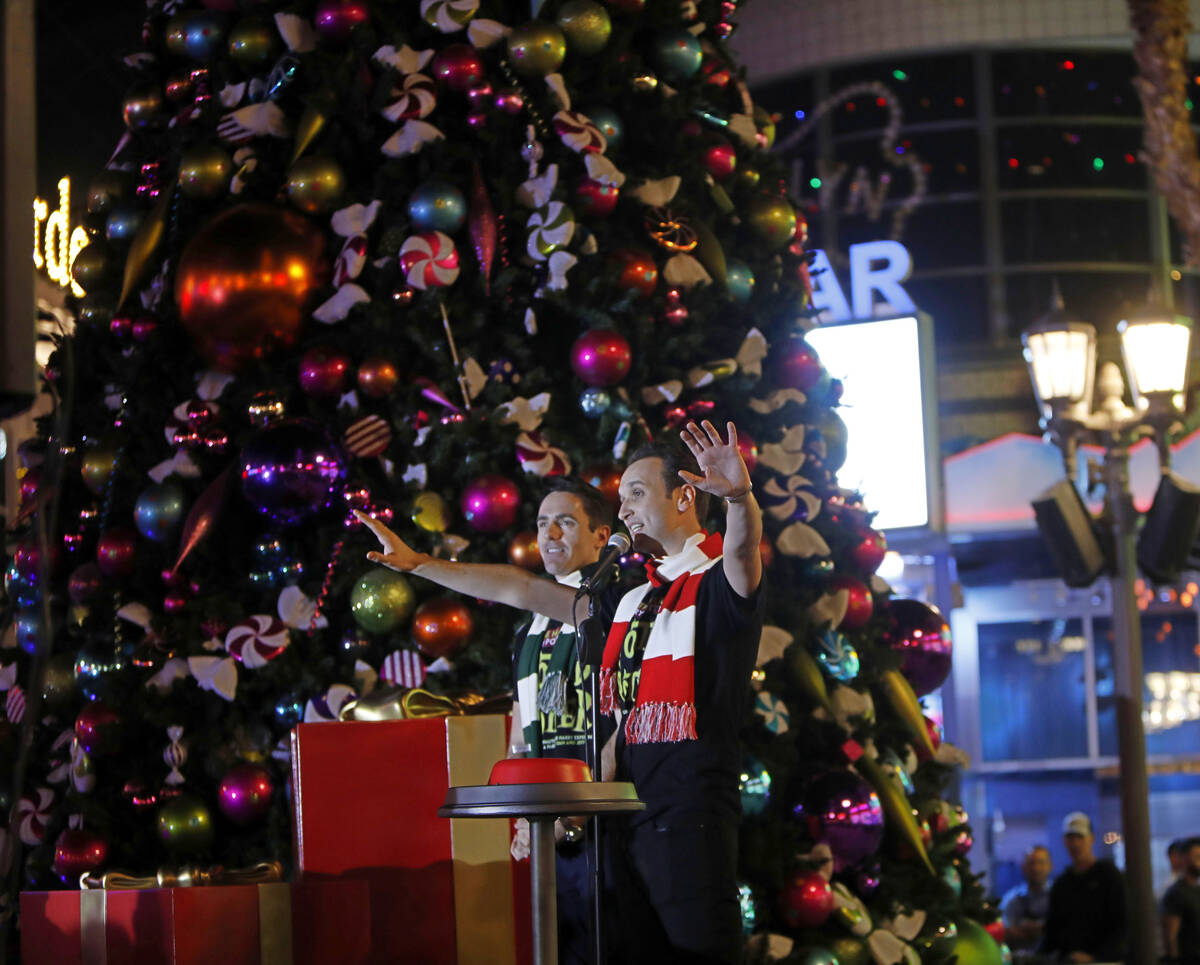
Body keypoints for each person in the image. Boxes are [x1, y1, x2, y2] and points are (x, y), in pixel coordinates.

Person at [357, 477, 620, 965]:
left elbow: (514, 585)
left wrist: (422, 564)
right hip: (548, 823)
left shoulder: (612, 605)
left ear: (601, 537)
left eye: (565, 522)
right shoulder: (529, 629)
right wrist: (522, 809)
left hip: (607, 822)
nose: (550, 535)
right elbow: (522, 723)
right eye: (542, 524)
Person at [598, 422, 764, 965]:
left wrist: (739, 497)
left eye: (637, 494)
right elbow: (622, 721)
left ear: (686, 496)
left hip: (689, 824)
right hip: (625, 826)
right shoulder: (633, 603)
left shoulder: (717, 581)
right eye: (620, 498)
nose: (622, 510)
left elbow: (743, 549)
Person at [1040, 812, 1128, 963]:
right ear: (1064, 841)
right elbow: (1053, 930)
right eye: (1070, 838)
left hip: (1106, 961)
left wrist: (1095, 957)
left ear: (1091, 839)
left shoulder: (1109, 875)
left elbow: (1122, 924)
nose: (1075, 844)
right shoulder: (1062, 883)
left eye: (1080, 837)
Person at [1001, 845, 1052, 954]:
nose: (1036, 868)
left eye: (1041, 863)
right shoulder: (1011, 900)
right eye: (1031, 863)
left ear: (1050, 866)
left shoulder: (1058, 896)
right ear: (1023, 867)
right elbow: (1004, 931)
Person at [1163, 837, 1200, 963]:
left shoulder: (1196, 889)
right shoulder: (1176, 892)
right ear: (1184, 859)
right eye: (1197, 857)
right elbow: (1170, 936)